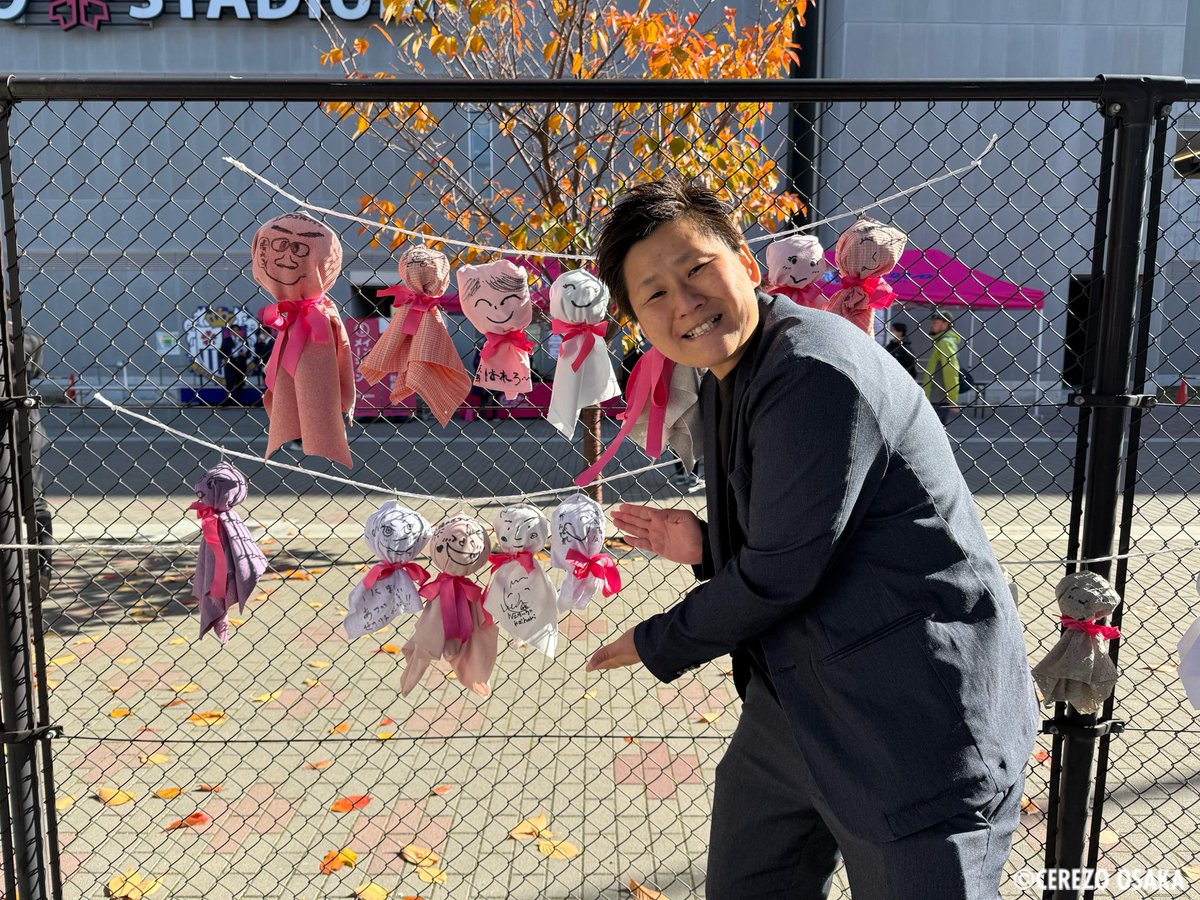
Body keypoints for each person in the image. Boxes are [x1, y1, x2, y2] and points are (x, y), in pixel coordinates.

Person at [584, 177, 1037, 900]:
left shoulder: (810, 370)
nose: (685, 303)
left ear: (742, 256)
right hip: (798, 702)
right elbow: (802, 533)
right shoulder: (729, 370)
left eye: (696, 268)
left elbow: (780, 571)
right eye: (655, 294)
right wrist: (706, 544)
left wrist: (657, 638)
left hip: (911, 716)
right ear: (638, 318)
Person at [923, 310, 962, 422]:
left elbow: (951, 371)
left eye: (935, 322)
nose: (932, 325)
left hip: (938, 399)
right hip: (935, 398)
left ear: (945, 324)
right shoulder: (941, 342)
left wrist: (952, 400)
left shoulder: (944, 343)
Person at [220, 327, 250, 407]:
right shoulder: (226, 340)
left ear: (240, 331)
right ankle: (228, 401)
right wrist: (227, 357)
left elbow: (249, 353)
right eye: (234, 330)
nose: (236, 331)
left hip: (241, 365)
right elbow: (221, 352)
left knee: (240, 383)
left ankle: (238, 401)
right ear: (230, 332)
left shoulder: (243, 341)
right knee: (229, 382)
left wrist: (244, 355)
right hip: (230, 365)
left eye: (237, 330)